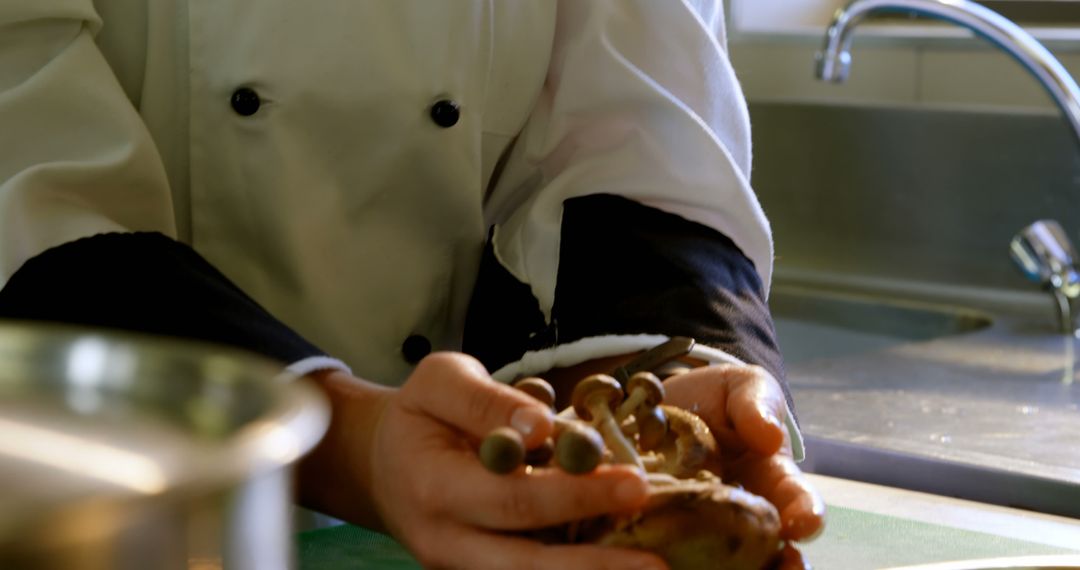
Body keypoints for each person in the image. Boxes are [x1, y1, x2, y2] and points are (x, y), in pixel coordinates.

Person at [0, 1, 824, 568]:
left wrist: (668, 389)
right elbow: (33, 189)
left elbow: (641, 134)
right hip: (94, 507)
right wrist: (353, 443)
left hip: (477, 511)